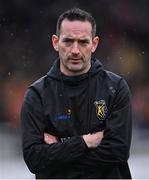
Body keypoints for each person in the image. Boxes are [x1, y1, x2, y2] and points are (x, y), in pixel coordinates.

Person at [21, 8, 132, 179]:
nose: (75, 50)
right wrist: (86, 142)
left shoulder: (115, 87)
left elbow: (118, 152)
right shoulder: (37, 94)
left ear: (94, 44)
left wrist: (58, 151)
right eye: (68, 41)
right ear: (55, 42)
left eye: (83, 42)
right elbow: (34, 159)